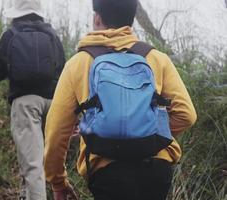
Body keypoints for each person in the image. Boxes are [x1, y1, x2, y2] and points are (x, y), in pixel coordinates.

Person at [44, 0, 197, 199]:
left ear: (97, 18)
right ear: (131, 21)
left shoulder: (78, 63)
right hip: (156, 169)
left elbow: (56, 132)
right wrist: (148, 132)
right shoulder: (156, 58)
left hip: (107, 172)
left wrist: (58, 182)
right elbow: (187, 115)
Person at [0, 0, 65, 199]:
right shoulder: (52, 34)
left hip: (25, 103)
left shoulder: (10, 34)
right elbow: (62, 67)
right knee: (56, 164)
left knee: (33, 165)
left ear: (17, 12)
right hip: (53, 103)